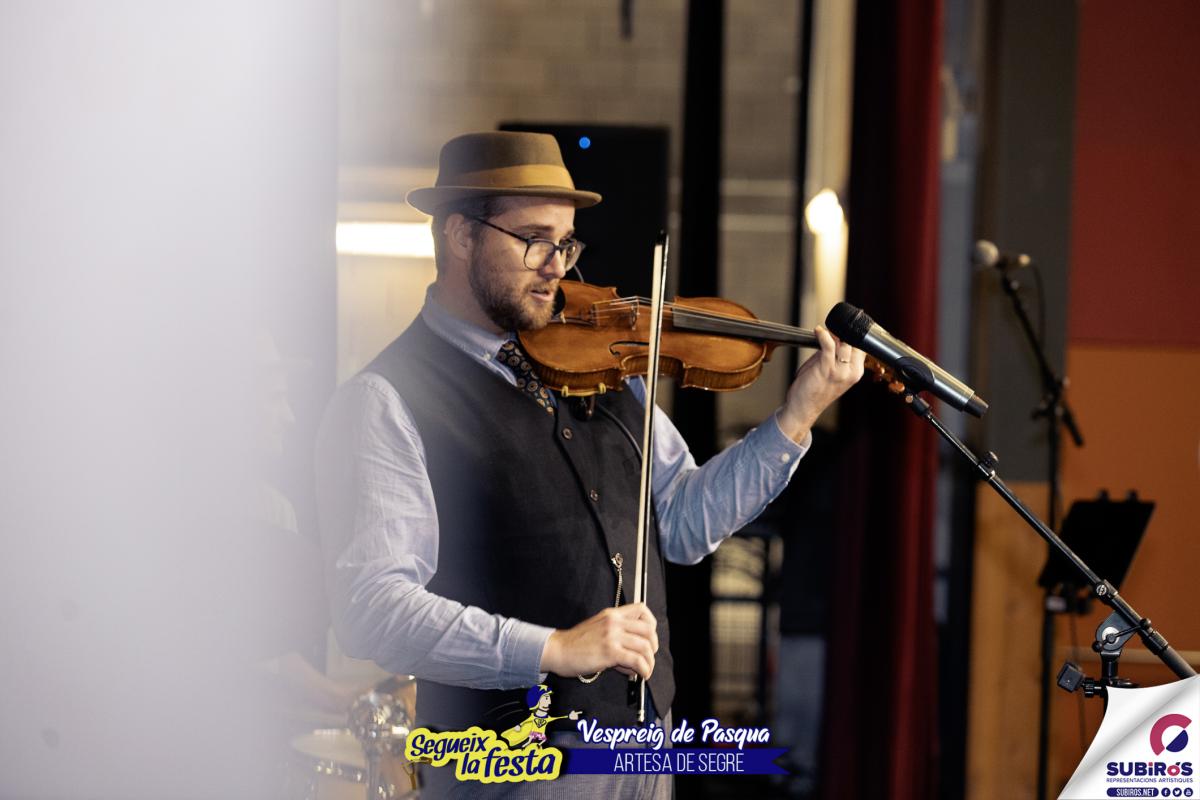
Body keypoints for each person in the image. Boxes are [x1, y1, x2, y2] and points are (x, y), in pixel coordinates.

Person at [314, 131, 865, 798]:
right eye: (534, 240)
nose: (558, 267)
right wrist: (552, 648)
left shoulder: (604, 369)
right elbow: (373, 608)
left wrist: (798, 415)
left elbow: (684, 524)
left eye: (567, 243)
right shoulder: (386, 399)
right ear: (461, 235)